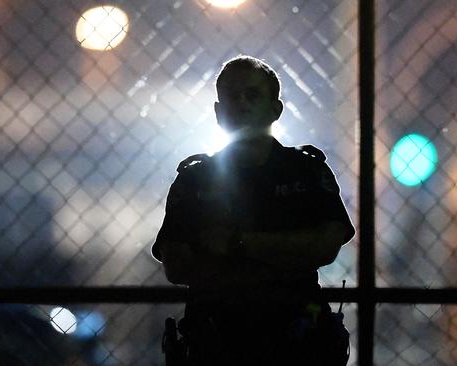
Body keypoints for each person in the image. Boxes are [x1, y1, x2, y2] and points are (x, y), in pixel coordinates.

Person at [152, 55, 355, 365]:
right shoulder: (195, 178)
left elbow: (326, 247)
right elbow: (177, 266)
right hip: (218, 339)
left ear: (276, 109)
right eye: (232, 96)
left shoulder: (306, 172)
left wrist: (236, 245)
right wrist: (283, 254)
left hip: (295, 340)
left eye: (253, 94)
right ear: (219, 112)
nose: (242, 104)